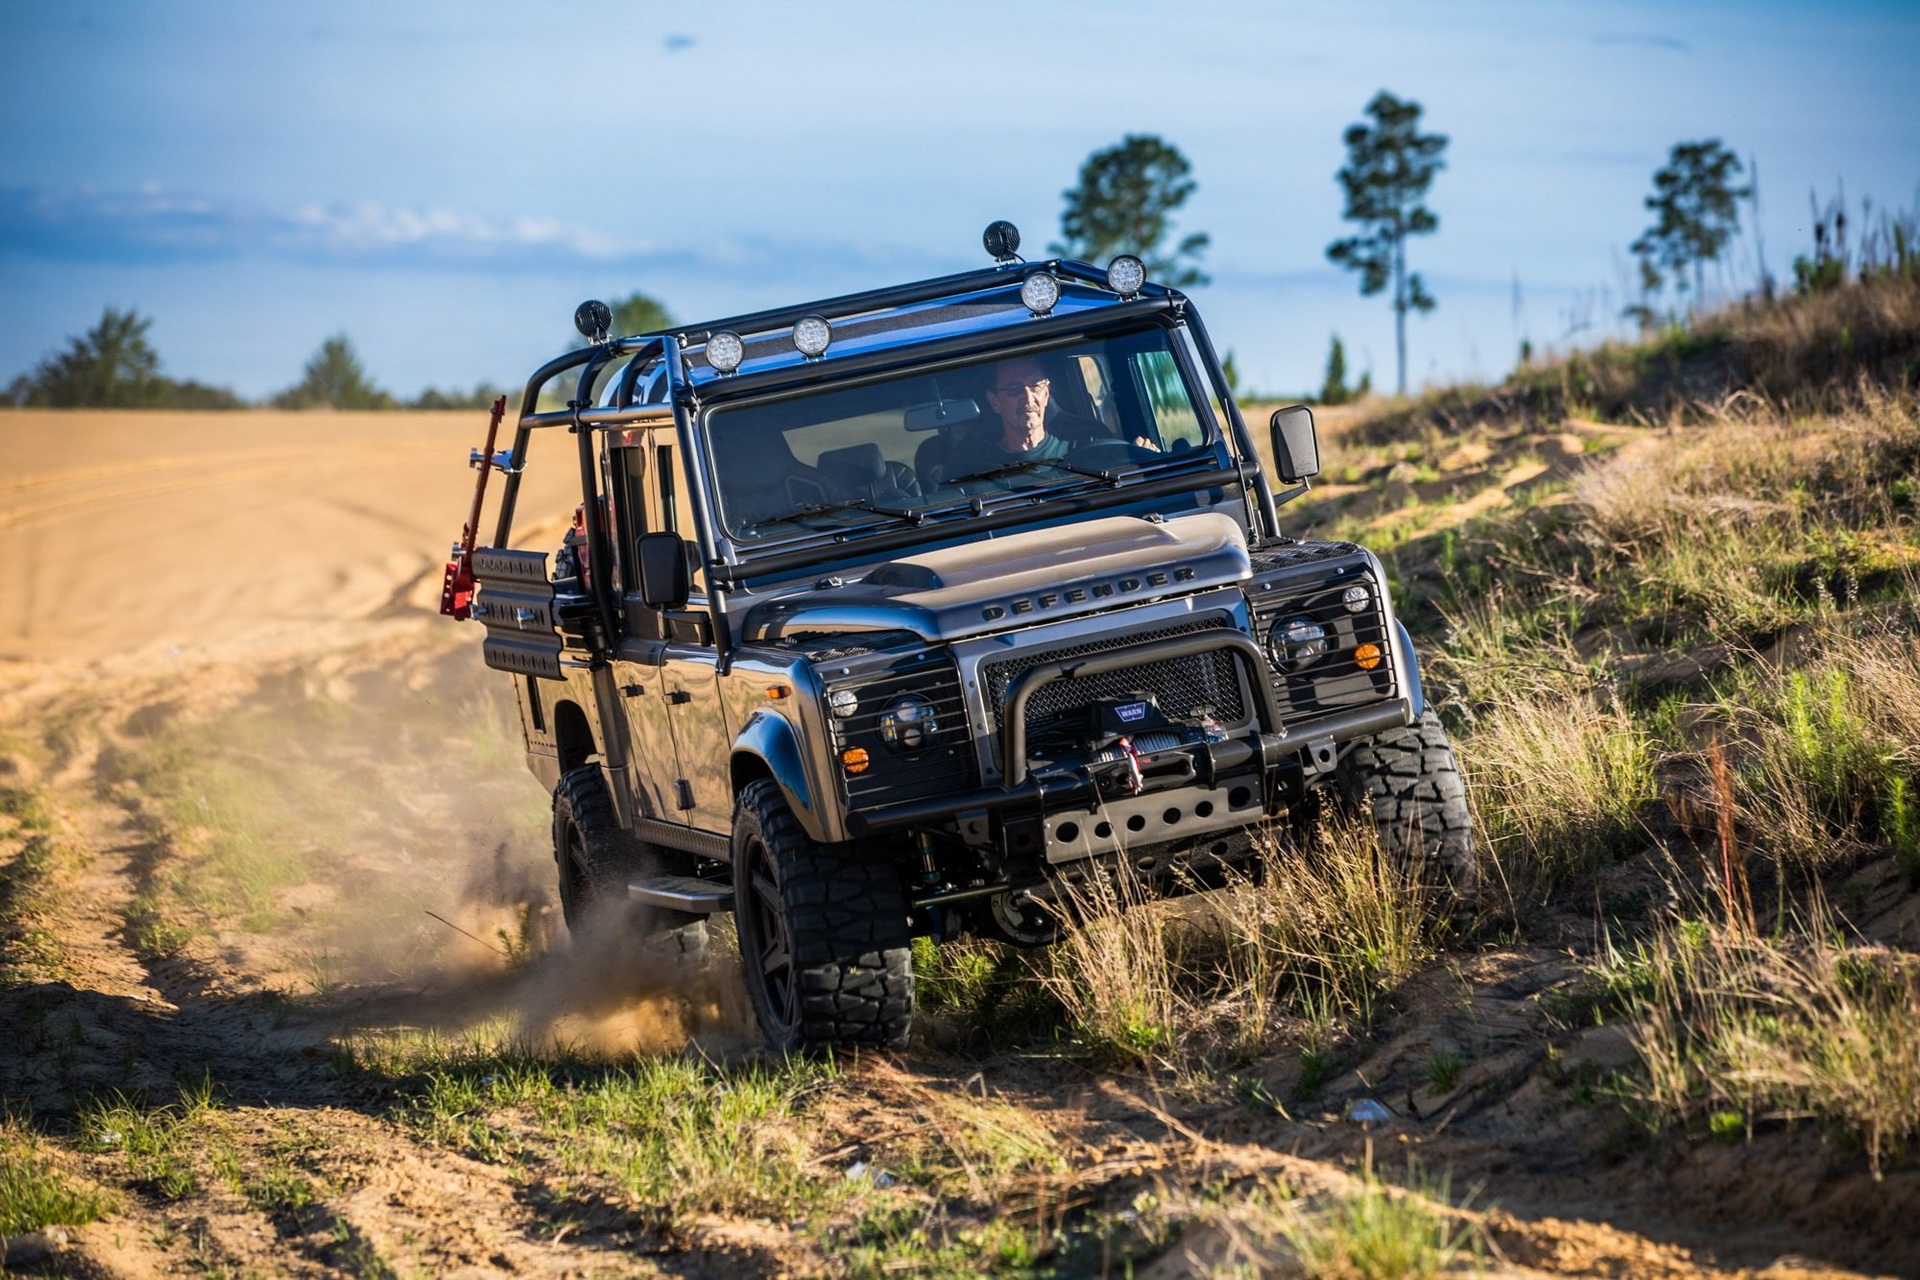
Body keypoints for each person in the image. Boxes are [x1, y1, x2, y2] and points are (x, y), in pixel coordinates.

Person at [946, 355, 1150, 481]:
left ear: (1046, 393)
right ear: (995, 401)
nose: (1028, 398)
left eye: (1035, 386)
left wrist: (1144, 460)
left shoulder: (1091, 443)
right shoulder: (970, 467)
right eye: (1015, 389)